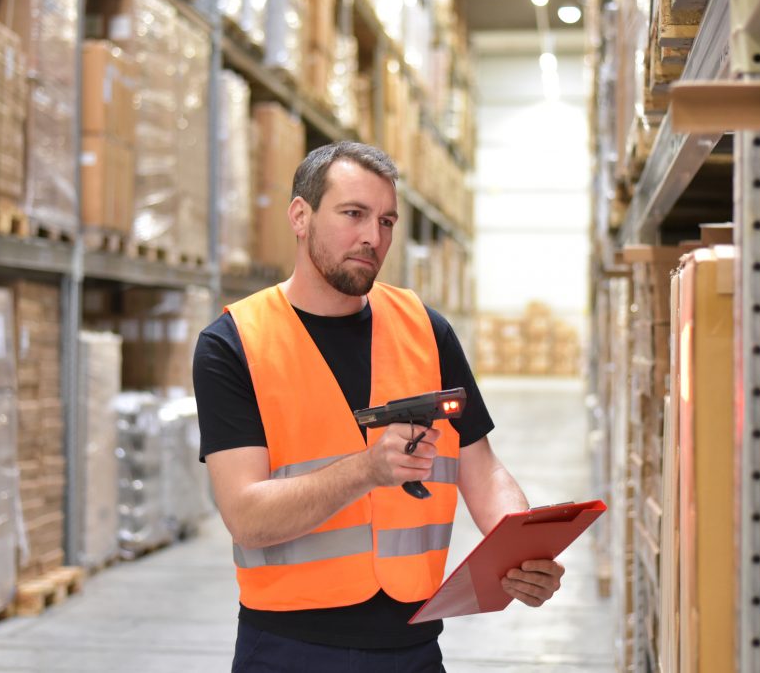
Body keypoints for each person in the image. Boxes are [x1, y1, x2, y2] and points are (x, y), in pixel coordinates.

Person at [194, 141, 564, 672]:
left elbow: (482, 468)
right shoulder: (234, 344)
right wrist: (367, 470)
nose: (373, 237)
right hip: (287, 648)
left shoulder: (427, 331)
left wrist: (523, 549)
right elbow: (246, 517)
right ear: (300, 216)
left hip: (412, 646)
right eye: (353, 214)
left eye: (387, 221)